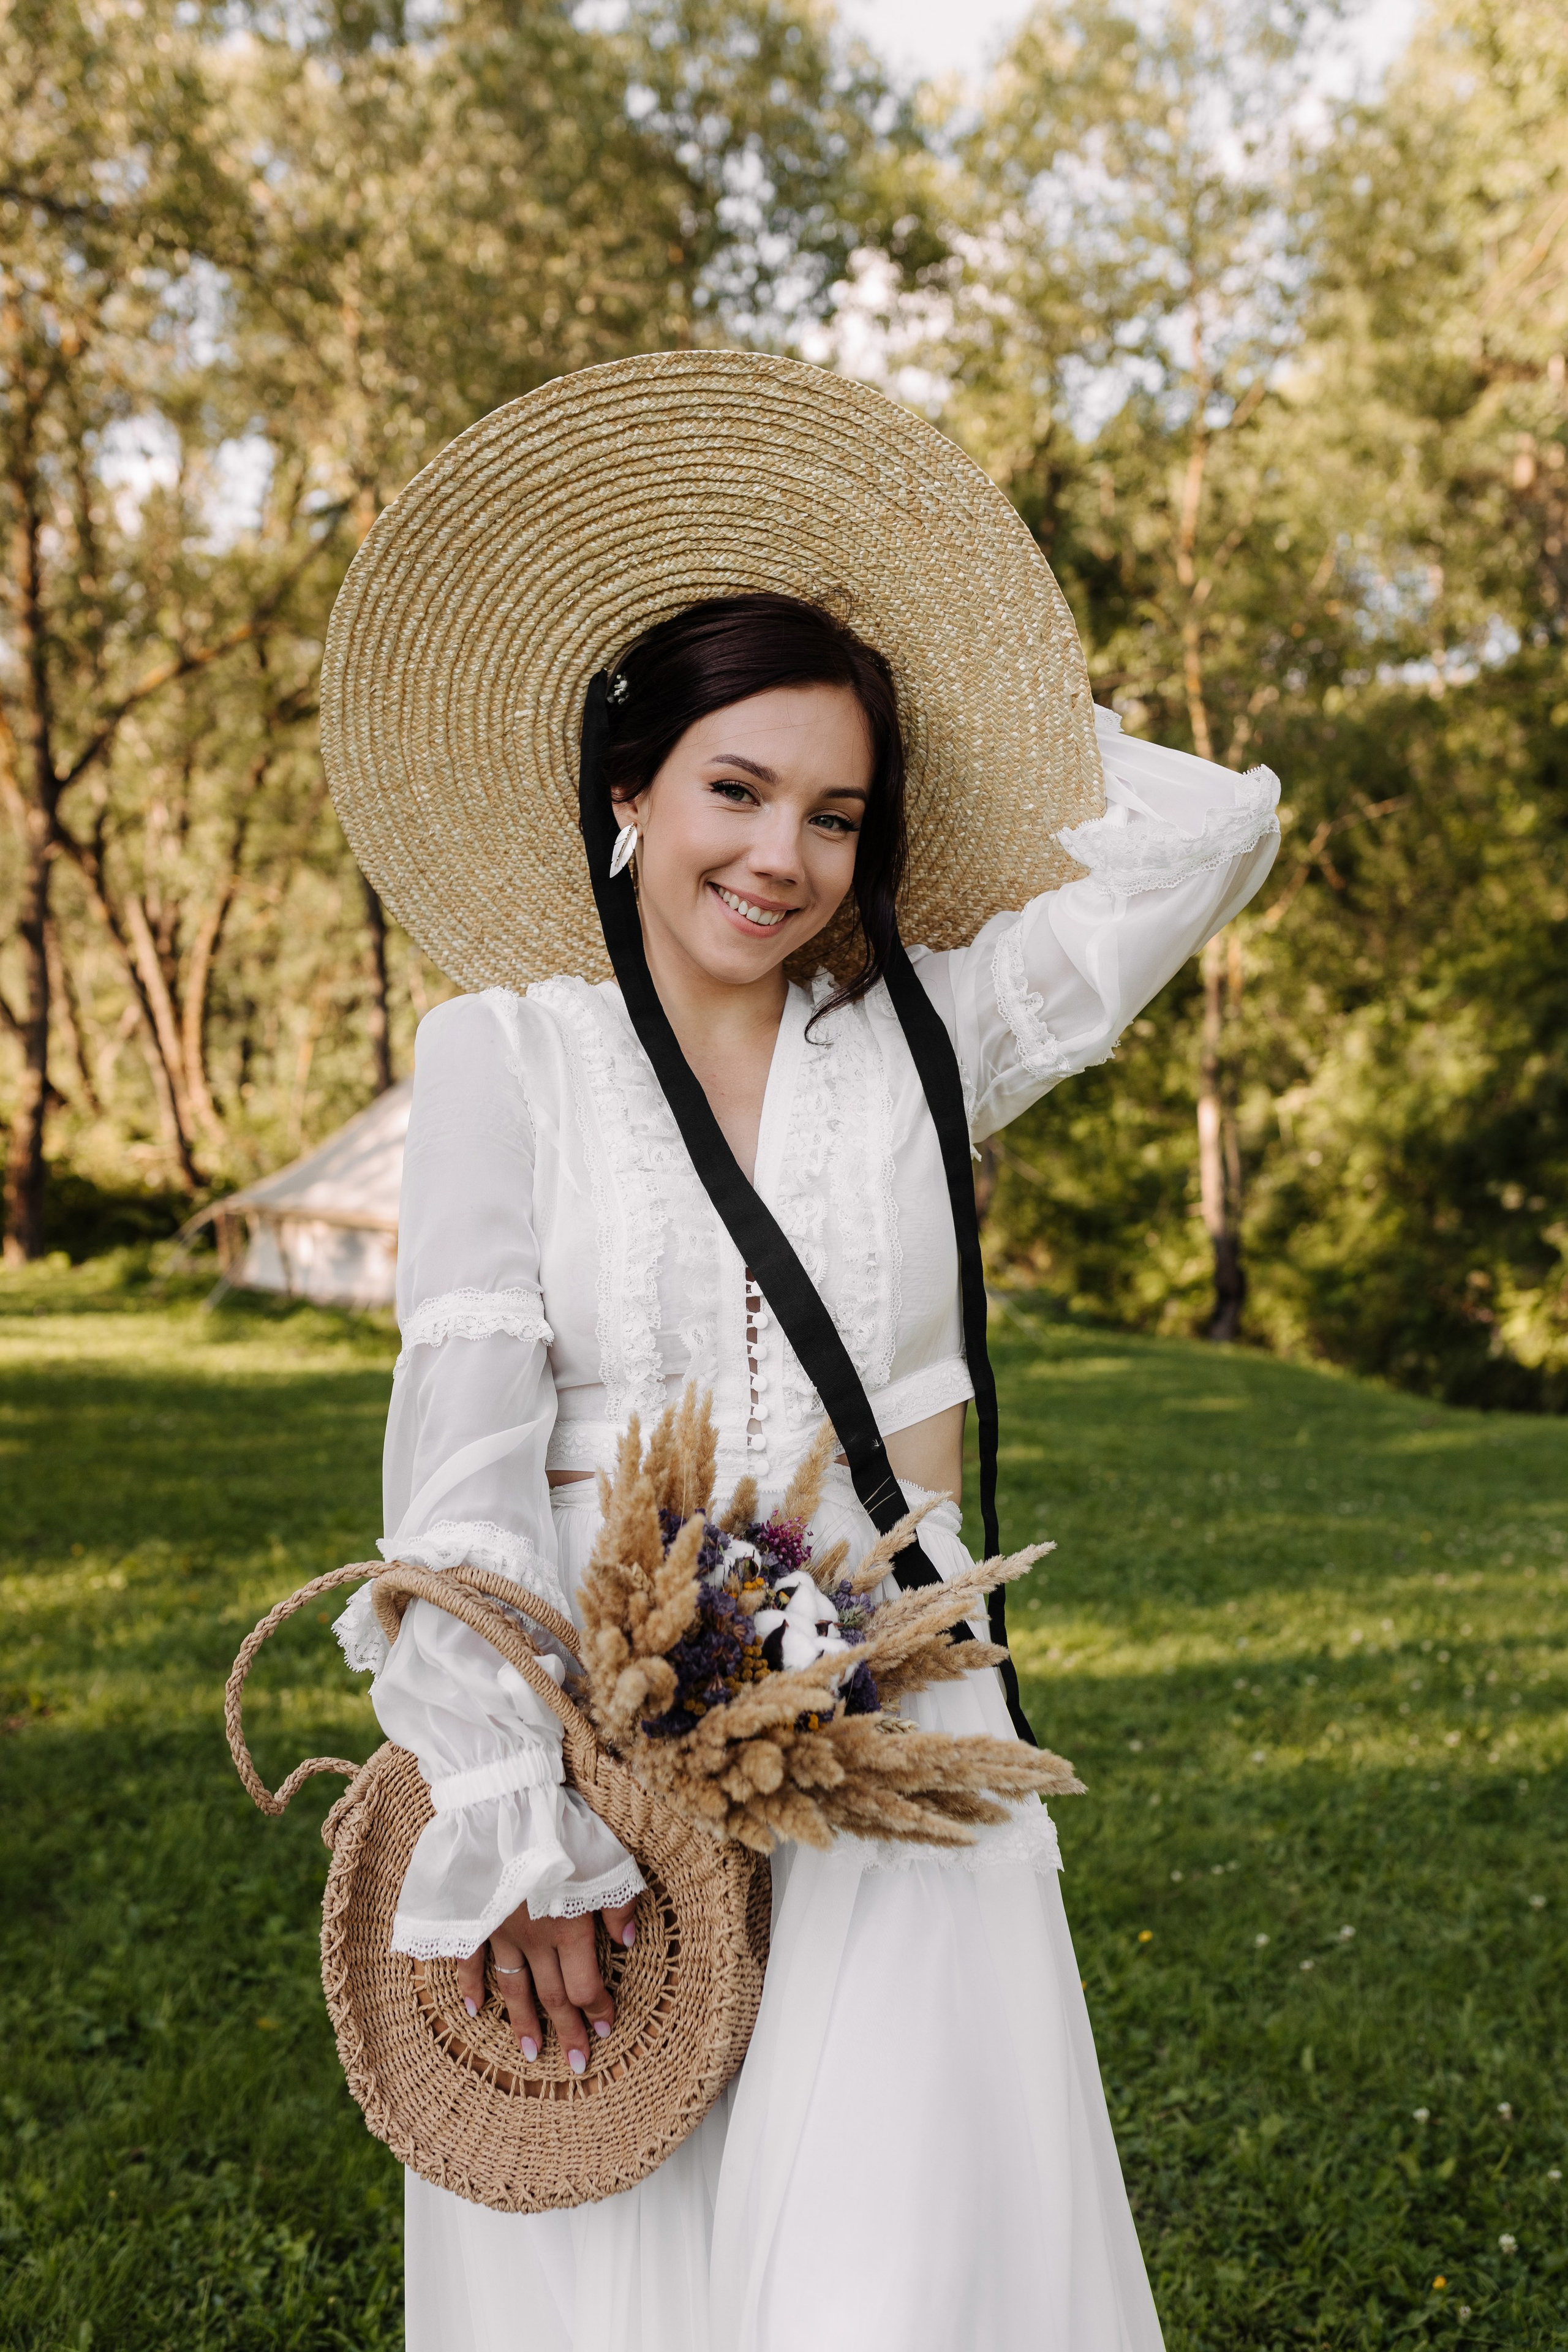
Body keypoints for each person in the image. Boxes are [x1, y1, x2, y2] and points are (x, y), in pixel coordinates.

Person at [321, 351, 1281, 2352]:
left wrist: (937, 650)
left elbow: (1199, 839)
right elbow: (466, 1453)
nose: (781, 858)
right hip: (598, 1722)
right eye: (734, 790)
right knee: (623, 2248)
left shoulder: (932, 1037)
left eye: (837, 812)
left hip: (894, 1721)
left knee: (902, 2277)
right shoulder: (509, 1051)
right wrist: (520, 1814)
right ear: (625, 796)